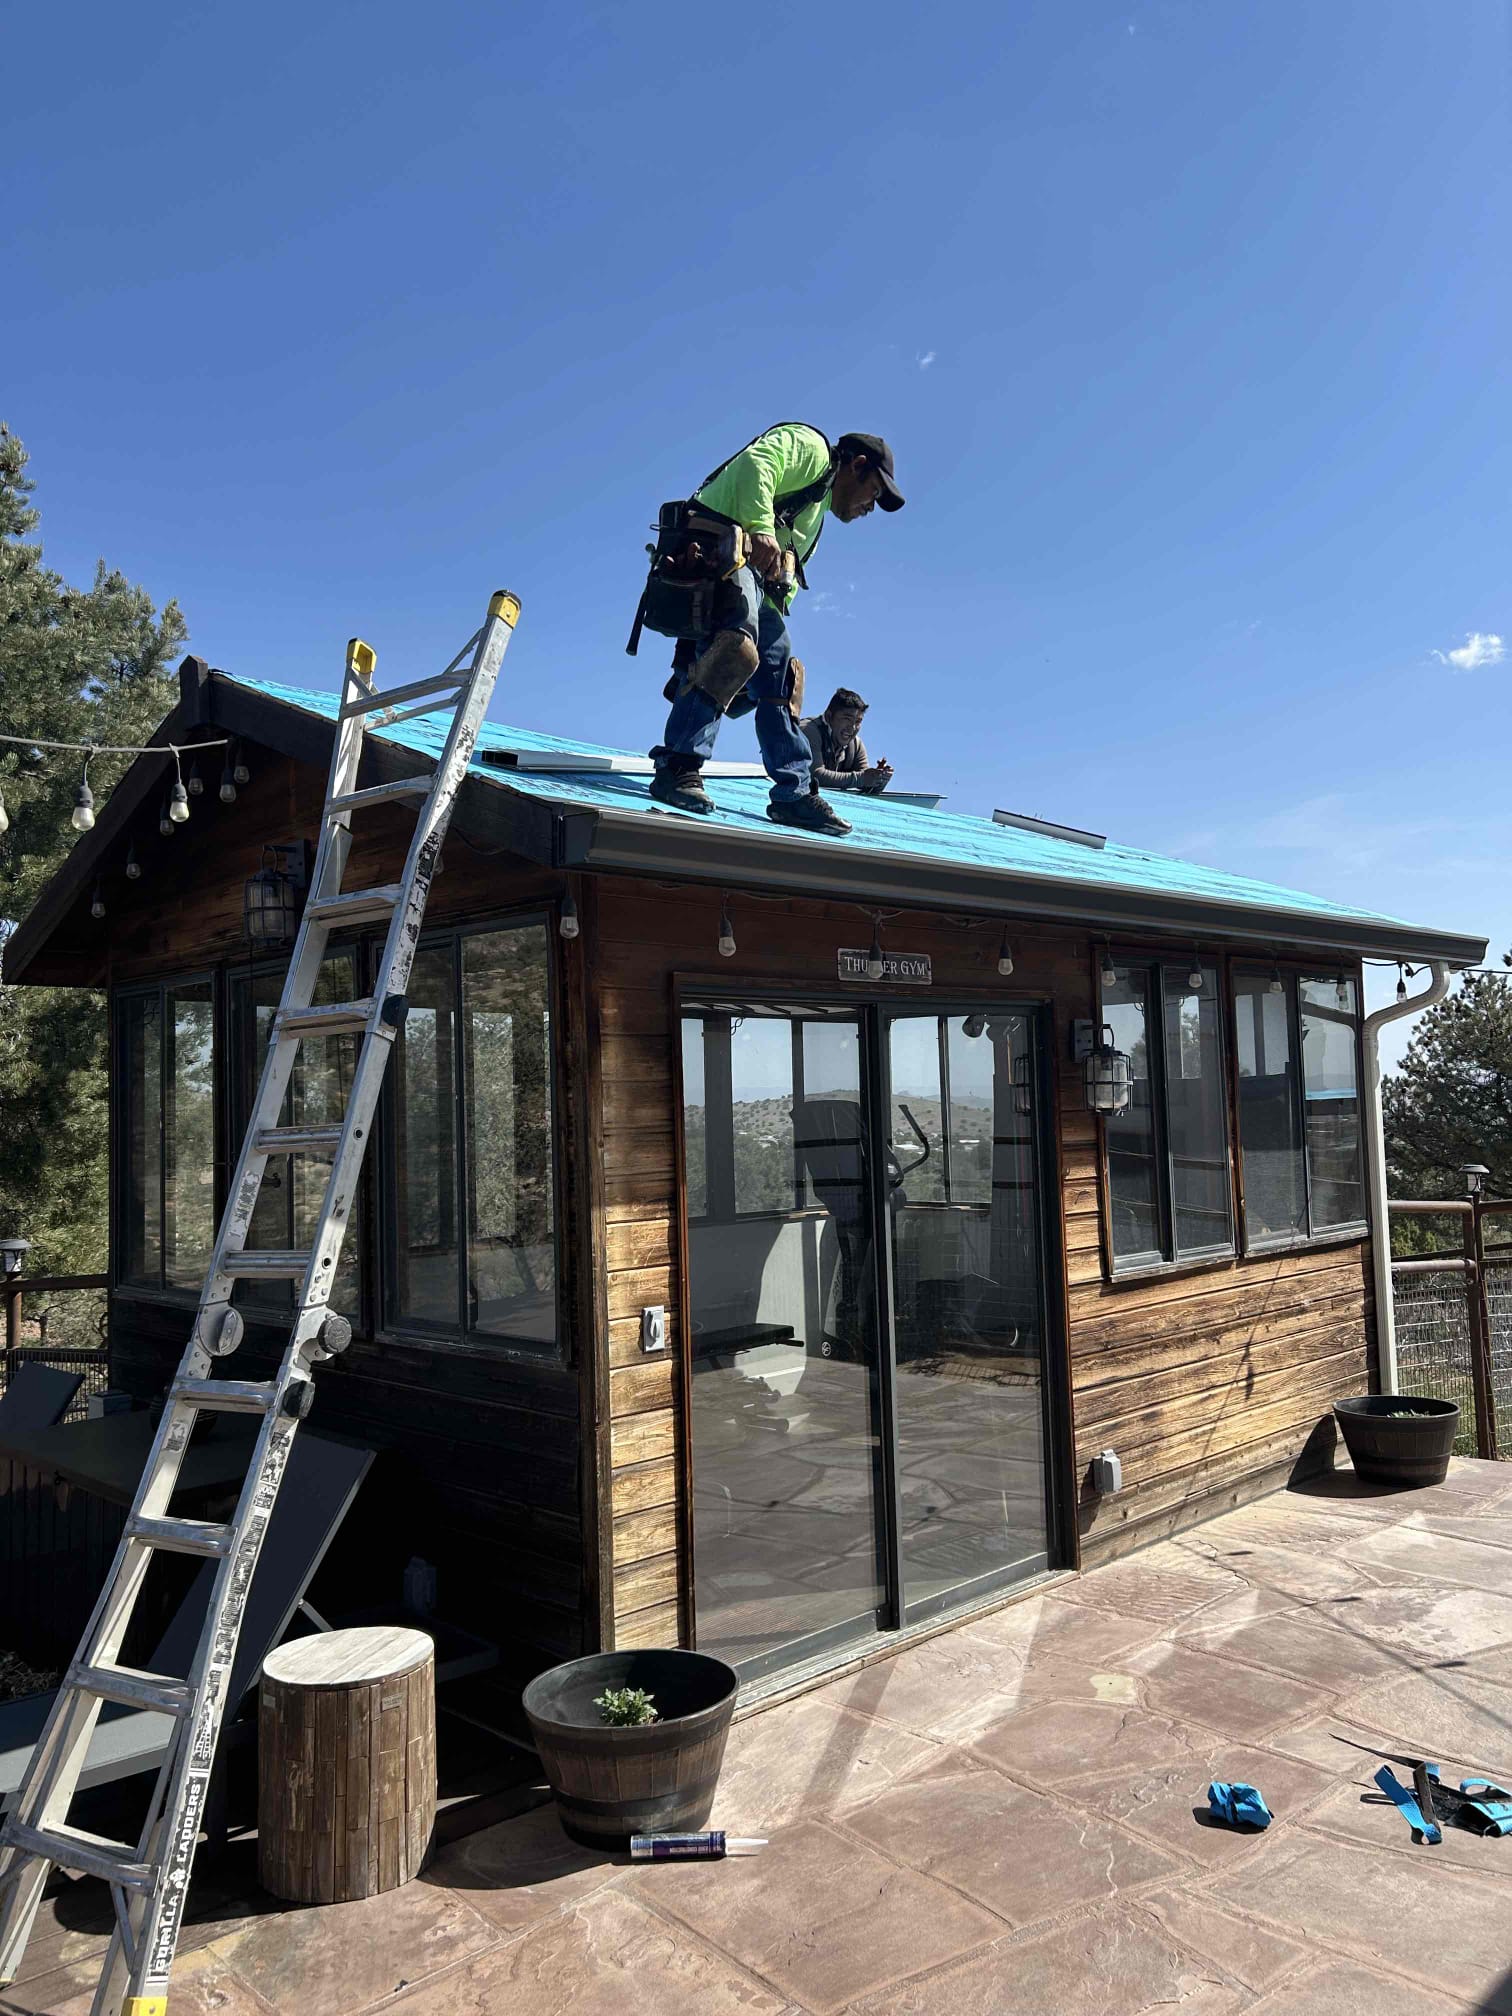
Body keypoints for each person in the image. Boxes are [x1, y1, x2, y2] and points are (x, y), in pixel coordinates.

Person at [646, 423, 904, 835]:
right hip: (716, 551)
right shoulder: (811, 448)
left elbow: (775, 584)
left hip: (750, 583)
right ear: (856, 466)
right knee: (735, 648)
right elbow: (757, 464)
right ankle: (678, 766)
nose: (870, 507)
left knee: (780, 673)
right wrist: (762, 527)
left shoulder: (816, 510)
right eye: (873, 492)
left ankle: (793, 793)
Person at [800, 688, 894, 795]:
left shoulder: (855, 745)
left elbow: (864, 784)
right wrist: (862, 778)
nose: (852, 727)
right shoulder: (808, 730)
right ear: (829, 716)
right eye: (847, 719)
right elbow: (815, 775)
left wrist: (879, 779)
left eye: (858, 721)